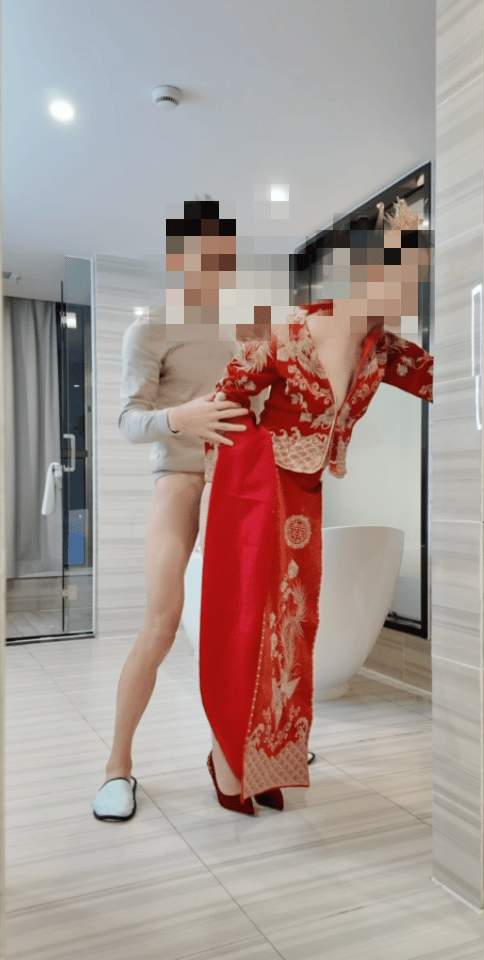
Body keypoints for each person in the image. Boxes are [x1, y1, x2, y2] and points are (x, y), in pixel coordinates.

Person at [198, 197, 434, 815]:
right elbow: (225, 401)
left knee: (292, 626)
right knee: (246, 622)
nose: (412, 290)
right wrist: (245, 469)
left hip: (302, 497)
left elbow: (446, 380)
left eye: (418, 278)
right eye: (405, 274)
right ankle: (226, 759)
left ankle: (266, 761)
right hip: (253, 489)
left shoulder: (384, 352)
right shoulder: (291, 328)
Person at [92, 201, 252, 821]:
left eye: (223, 258)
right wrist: (180, 417)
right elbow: (128, 421)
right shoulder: (150, 328)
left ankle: (245, 749)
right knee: (161, 624)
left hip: (241, 485)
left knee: (246, 627)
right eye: (202, 256)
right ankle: (117, 766)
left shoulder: (244, 327)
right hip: (180, 480)